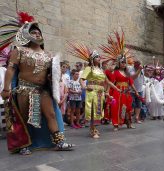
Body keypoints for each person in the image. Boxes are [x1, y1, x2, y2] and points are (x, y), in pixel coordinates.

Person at [0, 12, 73, 155]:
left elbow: (53, 76)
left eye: (39, 32)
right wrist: (6, 89)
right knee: (24, 117)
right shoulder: (19, 51)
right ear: (26, 35)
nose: (37, 34)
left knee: (51, 114)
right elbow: (10, 70)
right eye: (33, 32)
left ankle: (59, 142)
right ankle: (23, 145)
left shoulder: (49, 55)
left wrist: (54, 80)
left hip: (43, 90)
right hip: (24, 89)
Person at [66, 42, 120, 138]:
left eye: (99, 57)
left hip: (100, 91)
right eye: (97, 57)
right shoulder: (89, 68)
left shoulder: (101, 70)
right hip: (92, 91)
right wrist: (85, 87)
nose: (99, 59)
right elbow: (82, 79)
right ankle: (93, 130)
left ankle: (93, 128)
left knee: (99, 110)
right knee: (92, 110)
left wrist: (116, 88)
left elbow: (107, 81)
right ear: (92, 59)